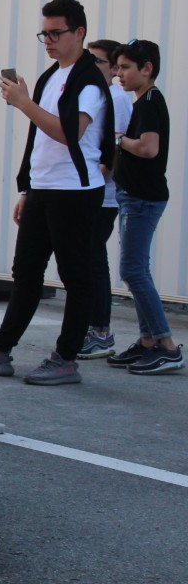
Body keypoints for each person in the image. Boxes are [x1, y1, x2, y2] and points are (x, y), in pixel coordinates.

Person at [0, 0, 113, 385]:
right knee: (25, 272)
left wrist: (24, 104)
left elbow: (68, 132)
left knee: (76, 277)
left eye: (56, 33)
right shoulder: (50, 75)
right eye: (45, 33)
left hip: (75, 191)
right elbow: (39, 140)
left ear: (79, 33)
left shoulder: (90, 80)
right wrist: (27, 187)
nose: (49, 40)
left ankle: (66, 357)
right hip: (45, 188)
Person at [106, 39, 182, 374]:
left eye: (125, 67)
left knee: (133, 270)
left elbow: (149, 149)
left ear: (146, 68)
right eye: (117, 67)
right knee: (136, 269)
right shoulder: (144, 101)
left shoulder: (150, 101)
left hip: (142, 199)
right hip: (134, 197)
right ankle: (148, 341)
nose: (118, 74)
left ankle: (166, 345)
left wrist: (120, 139)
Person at [76, 39, 133, 358]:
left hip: (103, 196)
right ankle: (93, 327)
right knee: (87, 259)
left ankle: (100, 331)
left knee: (94, 260)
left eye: (97, 61)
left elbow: (116, 146)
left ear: (113, 68)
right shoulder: (97, 95)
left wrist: (100, 179)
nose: (90, 65)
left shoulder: (117, 98)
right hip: (90, 192)